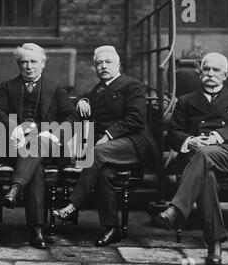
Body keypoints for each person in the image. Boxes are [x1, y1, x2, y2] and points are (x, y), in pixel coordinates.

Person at [154, 52, 228, 265]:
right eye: (206, 69)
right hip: (196, 158)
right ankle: (215, 244)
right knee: (205, 171)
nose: (210, 74)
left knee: (204, 154)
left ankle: (177, 208)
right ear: (200, 73)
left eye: (216, 70)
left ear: (225, 75)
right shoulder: (186, 101)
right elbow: (173, 134)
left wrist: (217, 137)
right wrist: (190, 140)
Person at [52, 45, 157, 247]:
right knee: (102, 175)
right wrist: (82, 100)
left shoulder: (132, 85)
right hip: (110, 151)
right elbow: (86, 100)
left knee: (95, 152)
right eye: (99, 63)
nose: (103, 66)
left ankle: (73, 204)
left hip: (133, 143)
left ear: (118, 64)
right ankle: (112, 229)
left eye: (108, 62)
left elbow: (136, 118)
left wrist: (108, 135)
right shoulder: (99, 89)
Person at [0, 43, 76, 249]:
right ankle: (37, 229)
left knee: (36, 147)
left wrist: (53, 132)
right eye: (24, 62)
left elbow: (71, 116)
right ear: (18, 64)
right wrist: (15, 127)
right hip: (16, 146)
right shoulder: (7, 87)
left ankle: (15, 188)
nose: (28, 66)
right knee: (35, 167)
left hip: (47, 145)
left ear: (43, 63)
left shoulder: (54, 87)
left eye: (33, 62)